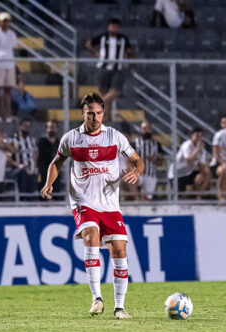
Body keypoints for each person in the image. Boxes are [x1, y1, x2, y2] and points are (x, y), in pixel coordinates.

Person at [40, 93, 144, 319]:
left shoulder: (114, 136)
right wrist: (48, 183)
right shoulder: (71, 138)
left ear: (104, 113)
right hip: (83, 201)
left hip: (110, 204)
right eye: (90, 113)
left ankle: (119, 307)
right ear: (83, 114)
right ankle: (97, 299)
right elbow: (56, 163)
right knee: (91, 237)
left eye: (98, 113)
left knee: (120, 250)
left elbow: (137, 160)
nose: (95, 117)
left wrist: (137, 171)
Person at [85, 19, 133, 117]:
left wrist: (130, 62)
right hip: (103, 68)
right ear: (108, 26)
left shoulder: (123, 39)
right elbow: (88, 44)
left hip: (117, 68)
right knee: (104, 93)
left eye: (116, 26)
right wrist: (96, 54)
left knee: (115, 91)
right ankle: (106, 119)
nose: (114, 28)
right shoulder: (103, 37)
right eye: (112, 25)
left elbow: (129, 52)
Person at [168, 127, 211, 198]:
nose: (199, 138)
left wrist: (203, 174)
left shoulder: (202, 149)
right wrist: (197, 149)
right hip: (178, 173)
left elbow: (202, 164)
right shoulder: (187, 145)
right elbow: (189, 159)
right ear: (192, 136)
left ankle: (199, 197)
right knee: (180, 197)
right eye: (197, 136)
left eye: (201, 136)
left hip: (190, 172)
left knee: (206, 174)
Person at [9, 117, 38, 199]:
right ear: (20, 126)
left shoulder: (32, 140)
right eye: (25, 126)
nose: (27, 128)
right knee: (23, 195)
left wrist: (35, 165)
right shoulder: (13, 140)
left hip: (32, 172)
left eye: (29, 126)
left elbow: (36, 153)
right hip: (21, 172)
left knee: (32, 196)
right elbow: (8, 157)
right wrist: (18, 165)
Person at [134, 120, 164, 200]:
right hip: (138, 173)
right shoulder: (135, 143)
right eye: (144, 128)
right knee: (136, 192)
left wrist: (152, 160)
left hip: (150, 174)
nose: (146, 130)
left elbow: (161, 162)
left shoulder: (156, 144)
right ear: (140, 130)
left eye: (148, 128)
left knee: (147, 198)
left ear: (151, 130)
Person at [37, 120, 62, 198]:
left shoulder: (58, 142)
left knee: (56, 193)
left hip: (56, 172)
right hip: (44, 172)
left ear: (57, 129)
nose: (51, 130)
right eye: (49, 127)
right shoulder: (42, 141)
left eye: (53, 127)